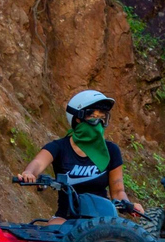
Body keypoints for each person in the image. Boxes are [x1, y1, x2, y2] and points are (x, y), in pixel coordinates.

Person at [17, 90, 144, 225]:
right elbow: (38, 162)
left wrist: (127, 204)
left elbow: (118, 191)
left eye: (103, 118)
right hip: (66, 218)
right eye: (93, 116)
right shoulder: (59, 147)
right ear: (78, 118)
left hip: (102, 220)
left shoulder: (111, 151)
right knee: (54, 229)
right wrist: (29, 173)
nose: (99, 122)